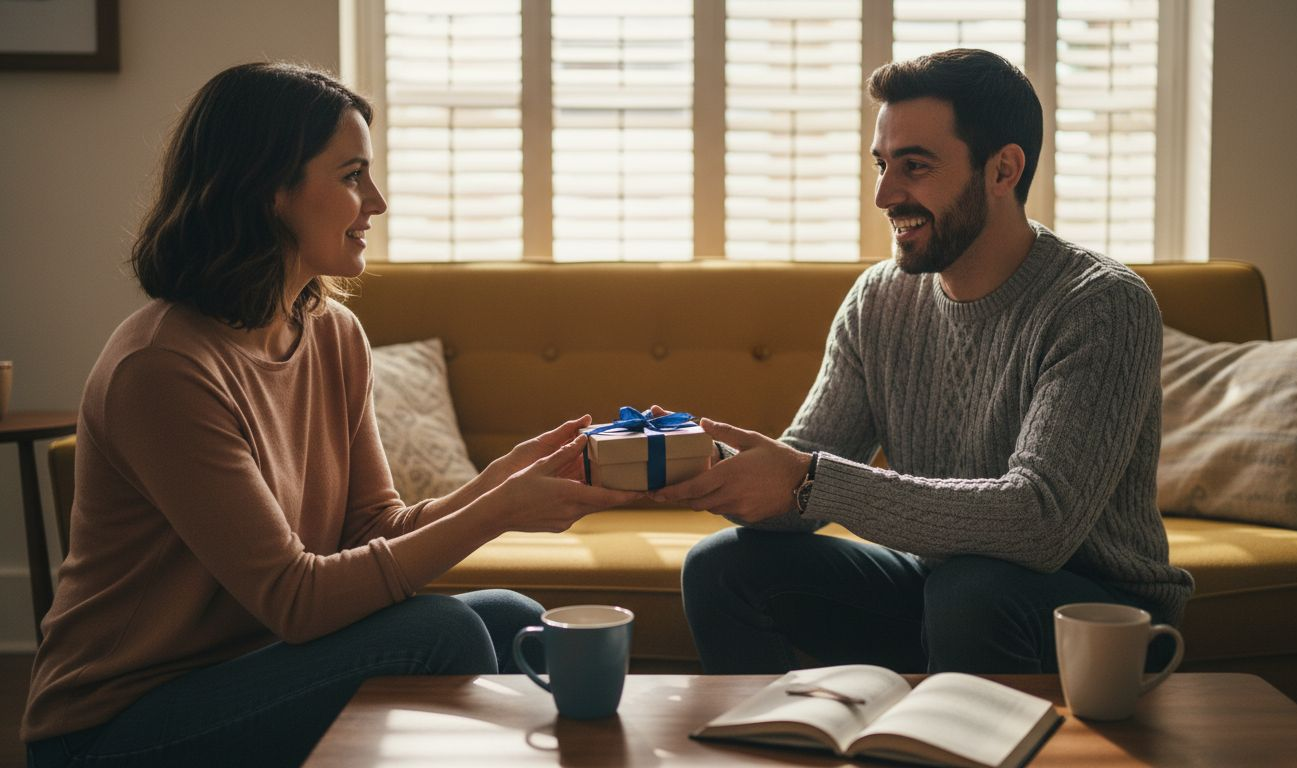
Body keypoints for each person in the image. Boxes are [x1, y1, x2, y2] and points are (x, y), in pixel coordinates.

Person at [22, 62, 639, 767]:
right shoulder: (164, 368)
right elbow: (296, 599)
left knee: (514, 619)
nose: (376, 200)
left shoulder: (332, 333)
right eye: (351, 176)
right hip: (116, 727)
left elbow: (371, 529)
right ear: (268, 192)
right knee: (445, 633)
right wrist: (496, 514)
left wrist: (497, 485)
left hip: (260, 666)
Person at [661, 49, 1194, 675]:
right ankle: (773, 738)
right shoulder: (879, 299)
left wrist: (809, 478)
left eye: (915, 166)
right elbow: (799, 481)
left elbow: (1041, 522)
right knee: (723, 567)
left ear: (1003, 170)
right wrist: (702, 465)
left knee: (970, 593)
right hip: (942, 589)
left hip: (1095, 610)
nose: (886, 194)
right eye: (882, 165)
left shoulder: (1101, 305)